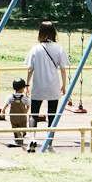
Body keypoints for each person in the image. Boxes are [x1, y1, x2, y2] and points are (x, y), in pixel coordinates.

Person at [25, 21, 69, 152]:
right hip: (53, 84)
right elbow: (62, 69)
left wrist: (27, 84)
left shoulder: (35, 48)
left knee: (34, 113)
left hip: (38, 84)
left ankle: (32, 137)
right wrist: (64, 84)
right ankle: (49, 142)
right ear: (53, 32)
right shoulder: (59, 48)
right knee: (52, 114)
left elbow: (30, 69)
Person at [4, 77, 29, 147]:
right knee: (23, 127)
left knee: (14, 127)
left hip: (13, 116)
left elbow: (6, 103)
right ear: (22, 88)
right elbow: (28, 105)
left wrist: (3, 110)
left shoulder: (11, 96)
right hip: (22, 116)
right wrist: (26, 111)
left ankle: (17, 136)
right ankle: (21, 133)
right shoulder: (24, 97)